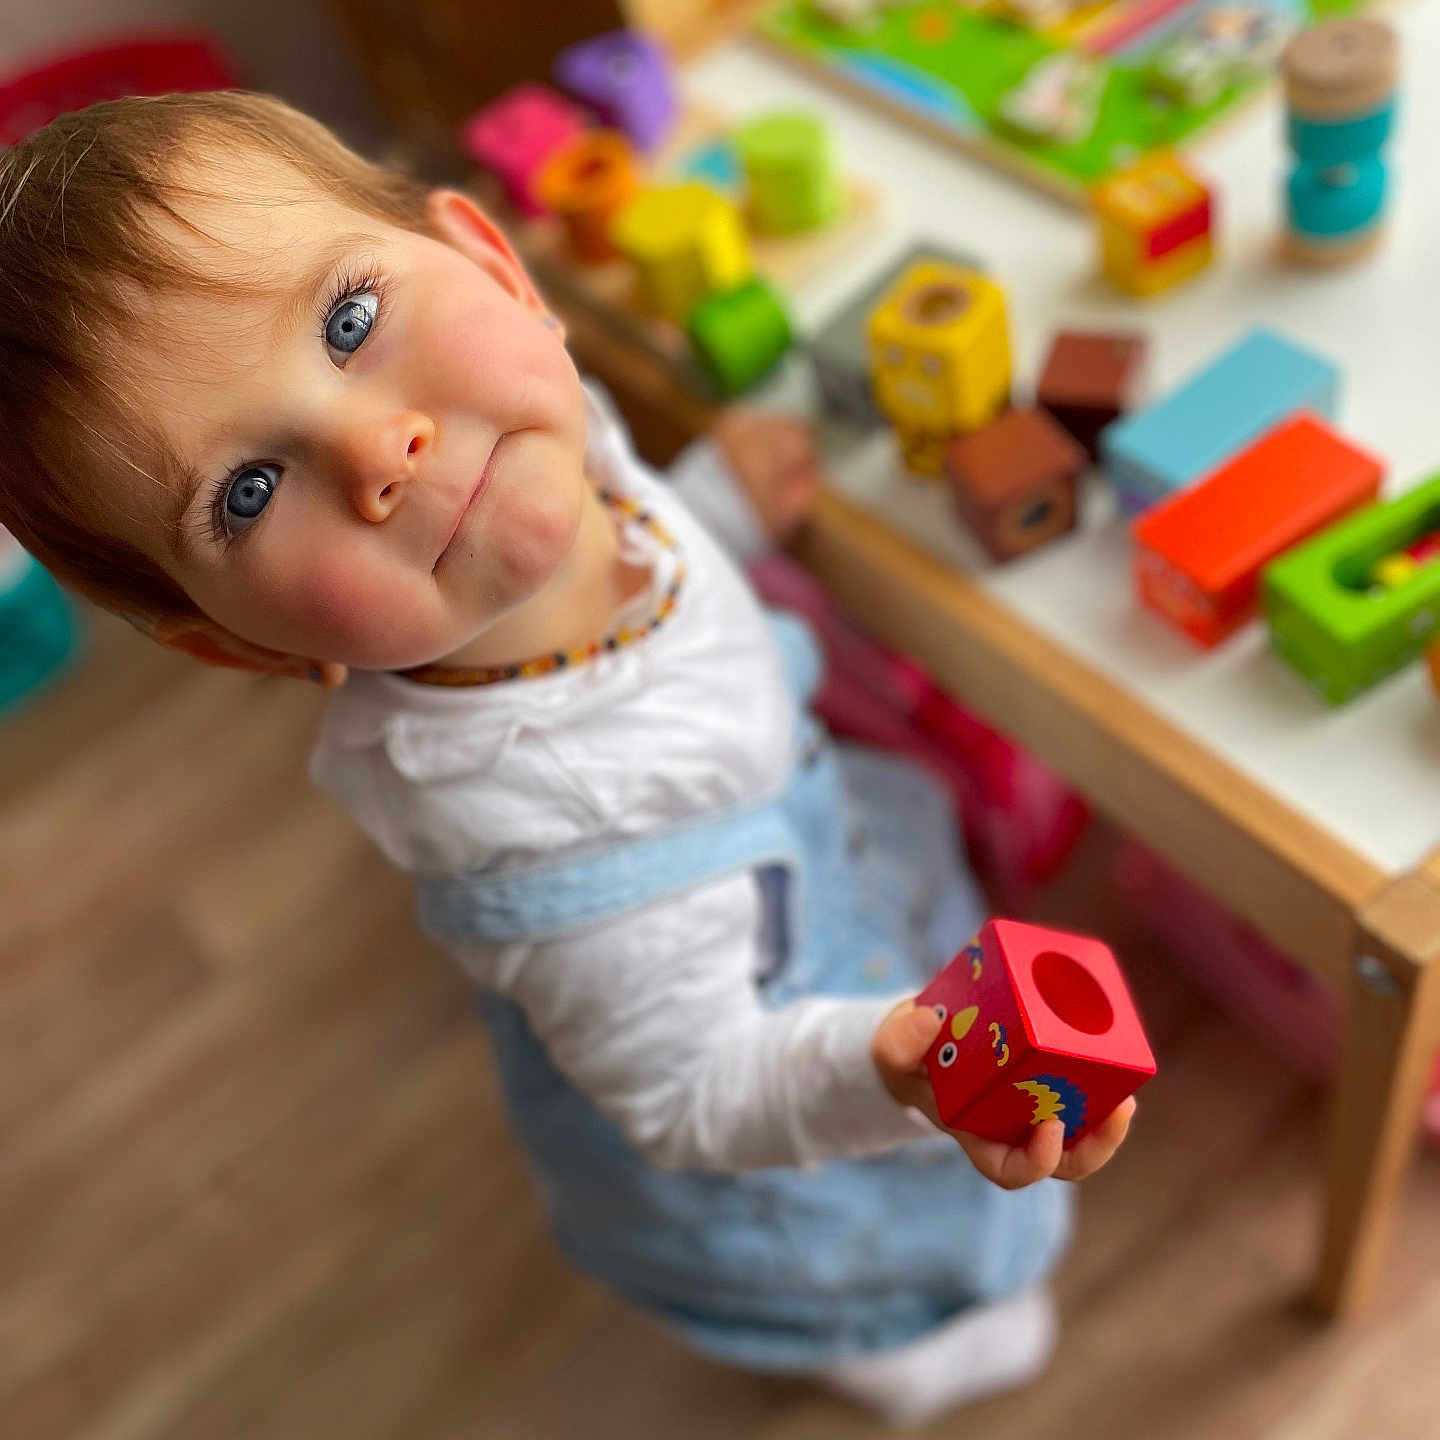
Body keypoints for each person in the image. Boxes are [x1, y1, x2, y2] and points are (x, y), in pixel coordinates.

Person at [0, 91, 1134, 1427]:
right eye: (247, 490)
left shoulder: (544, 435)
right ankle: (906, 1353)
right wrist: (895, 1068)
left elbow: (613, 497)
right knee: (915, 1289)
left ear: (490, 261)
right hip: (771, 1068)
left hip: (798, 856)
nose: (379, 447)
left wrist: (707, 506)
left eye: (348, 321)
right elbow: (706, 1092)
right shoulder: (558, 855)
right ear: (241, 647)